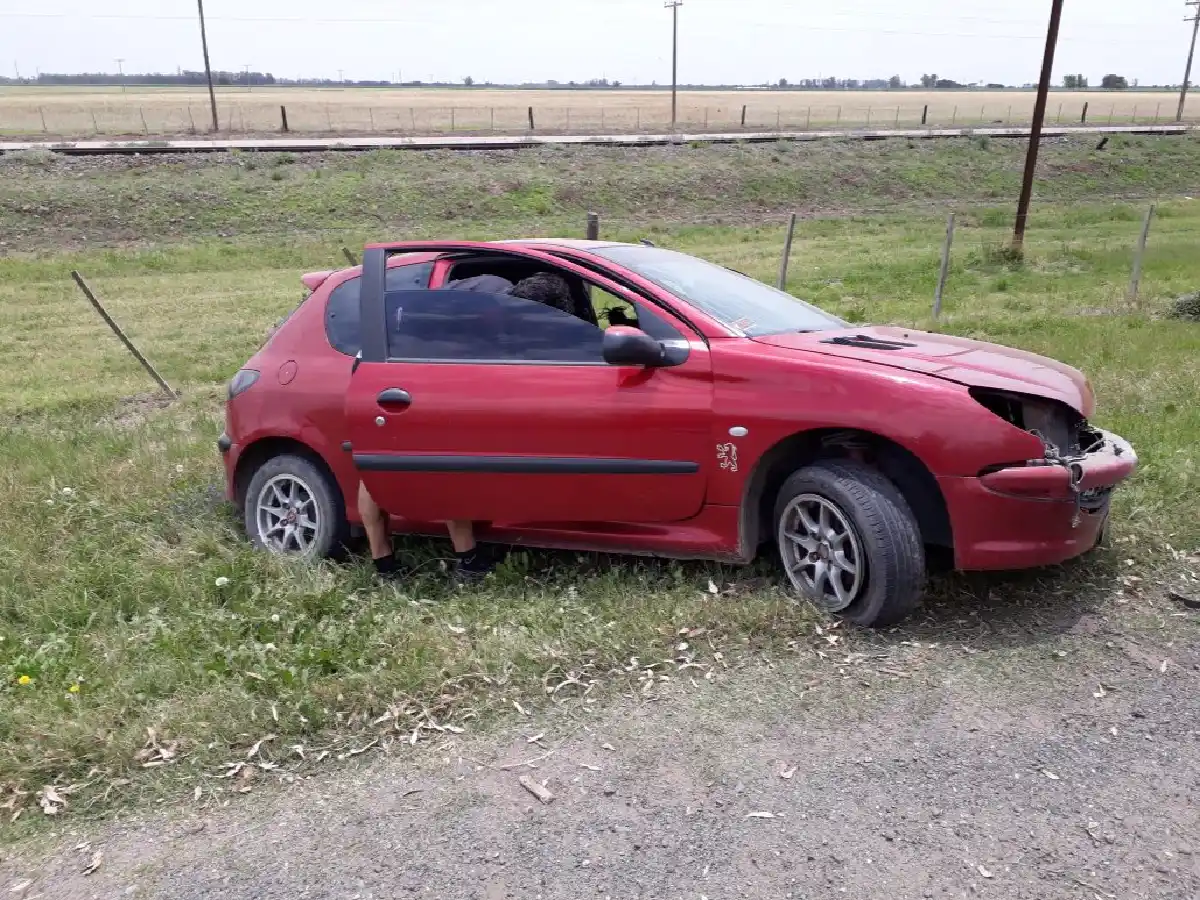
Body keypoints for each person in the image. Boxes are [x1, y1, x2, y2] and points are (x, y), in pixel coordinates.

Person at [358, 270, 575, 580]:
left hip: (391, 367)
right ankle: (464, 559)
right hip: (397, 373)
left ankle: (392, 563)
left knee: (379, 466)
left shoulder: (495, 297)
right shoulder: (485, 312)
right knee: (431, 465)